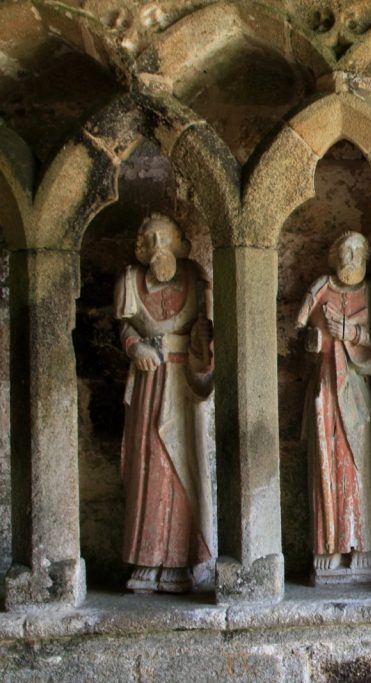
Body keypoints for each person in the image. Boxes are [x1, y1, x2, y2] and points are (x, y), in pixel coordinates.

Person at [116, 213, 214, 593]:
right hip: (148, 382)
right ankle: (146, 558)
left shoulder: (194, 279)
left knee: (181, 468)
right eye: (150, 240)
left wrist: (203, 346)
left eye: (165, 239)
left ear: (178, 243)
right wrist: (134, 346)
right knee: (147, 466)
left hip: (182, 385)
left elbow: (207, 333)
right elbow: (125, 326)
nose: (159, 248)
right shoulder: (129, 281)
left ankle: (178, 560)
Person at [296, 231, 371, 582]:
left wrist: (349, 331)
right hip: (325, 390)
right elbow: (302, 332)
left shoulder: (367, 292)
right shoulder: (319, 291)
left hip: (353, 392)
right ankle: (328, 546)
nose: (351, 259)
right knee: (325, 465)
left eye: (357, 253)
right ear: (334, 256)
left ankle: (362, 545)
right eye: (345, 252)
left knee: (358, 466)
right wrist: (313, 340)